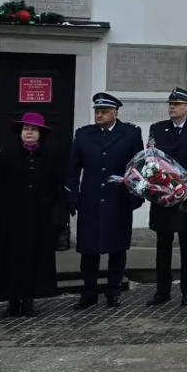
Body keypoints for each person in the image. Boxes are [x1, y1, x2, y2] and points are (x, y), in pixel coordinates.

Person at [66, 93, 144, 309]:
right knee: (88, 250)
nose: (99, 115)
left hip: (118, 198)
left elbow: (138, 167)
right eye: (97, 112)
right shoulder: (83, 135)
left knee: (117, 249)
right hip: (90, 198)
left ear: (115, 113)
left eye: (104, 112)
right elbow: (73, 169)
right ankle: (89, 291)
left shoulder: (129, 133)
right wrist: (72, 196)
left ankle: (114, 290)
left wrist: (135, 196)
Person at [0, 113, 64, 317]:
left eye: (33, 130)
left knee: (33, 260)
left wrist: (50, 205)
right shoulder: (6, 155)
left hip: (38, 219)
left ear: (40, 134)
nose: (29, 132)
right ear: (20, 133)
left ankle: (28, 301)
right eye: (26, 129)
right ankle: (12, 302)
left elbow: (57, 186)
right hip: (10, 219)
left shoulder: (50, 156)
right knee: (11, 260)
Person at [146, 87, 187, 307]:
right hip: (163, 198)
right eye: (170, 104)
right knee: (162, 247)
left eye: (176, 104)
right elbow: (150, 162)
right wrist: (155, 190)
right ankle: (162, 290)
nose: (172, 107)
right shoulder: (158, 129)